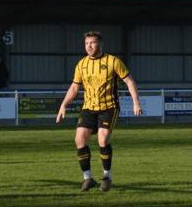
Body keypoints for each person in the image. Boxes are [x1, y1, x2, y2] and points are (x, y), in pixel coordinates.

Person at [56, 30, 142, 192]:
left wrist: (136, 103)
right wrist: (64, 105)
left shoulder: (113, 61)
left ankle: (107, 176)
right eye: (87, 43)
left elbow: (129, 81)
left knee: (102, 140)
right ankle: (88, 178)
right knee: (79, 140)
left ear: (101, 44)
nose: (89, 46)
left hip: (108, 107)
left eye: (93, 43)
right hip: (88, 108)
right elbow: (75, 87)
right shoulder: (81, 64)